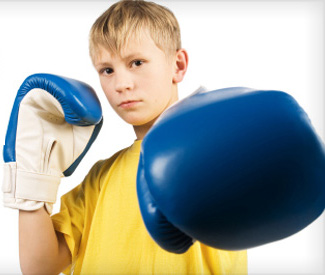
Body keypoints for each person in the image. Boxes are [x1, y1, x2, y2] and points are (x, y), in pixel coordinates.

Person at [18, 0, 247, 274]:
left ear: (178, 65)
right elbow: (39, 267)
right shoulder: (100, 178)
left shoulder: (217, 149)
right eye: (107, 70)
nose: (121, 84)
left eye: (136, 62)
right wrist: (33, 173)